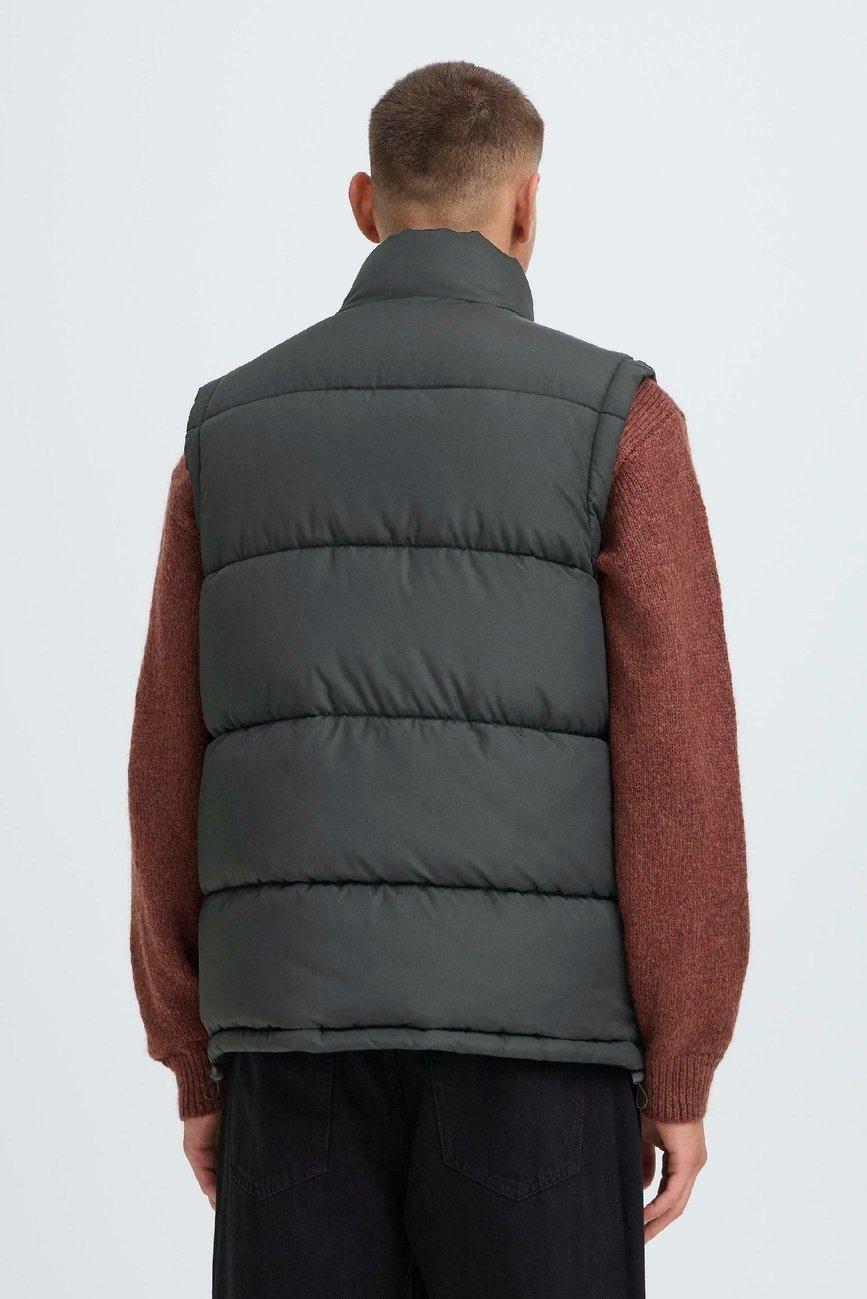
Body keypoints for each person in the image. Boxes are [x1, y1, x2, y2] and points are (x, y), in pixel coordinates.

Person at [130, 61, 748, 1298]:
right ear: (526, 206)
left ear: (366, 204)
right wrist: (681, 1065)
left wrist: (194, 1056)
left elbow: (165, 762)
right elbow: (680, 765)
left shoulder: (227, 429)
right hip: (542, 1057)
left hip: (292, 1048)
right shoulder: (620, 421)